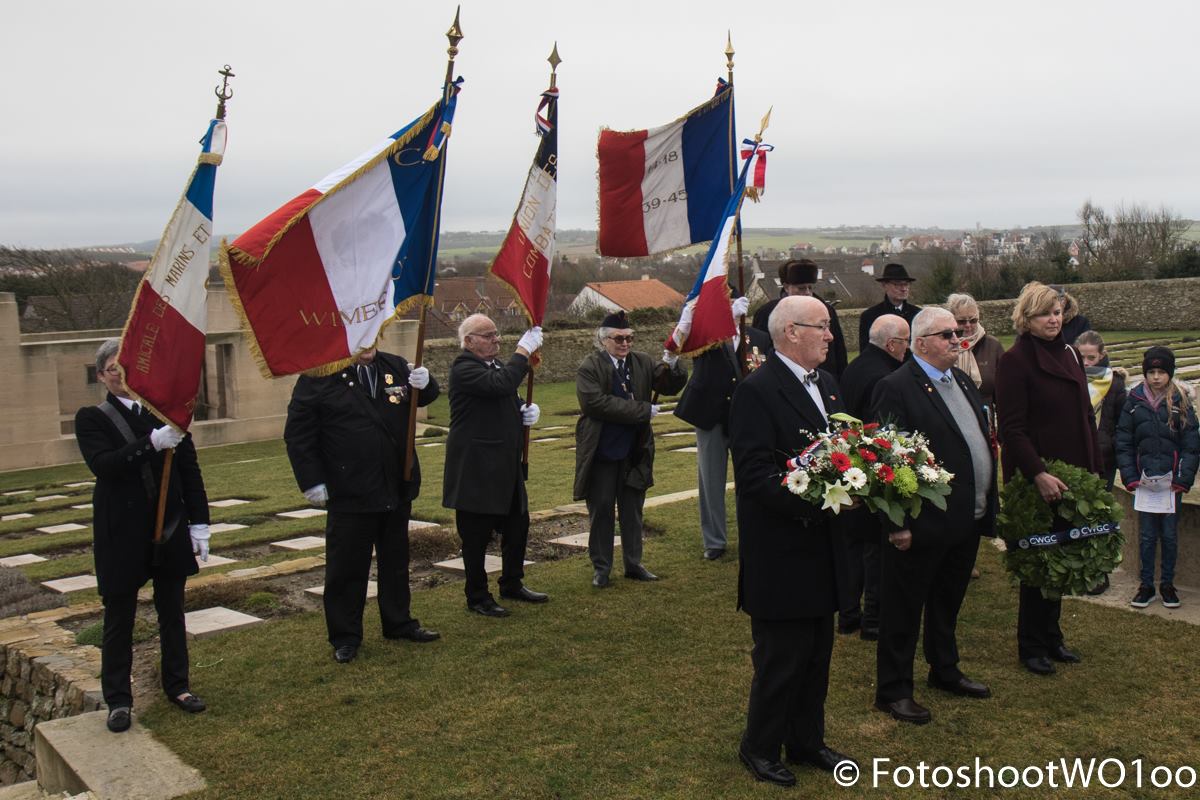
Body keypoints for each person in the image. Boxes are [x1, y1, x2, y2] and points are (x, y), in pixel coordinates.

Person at [730, 296, 857, 787]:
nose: (830, 336)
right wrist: (822, 501)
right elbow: (756, 476)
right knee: (781, 658)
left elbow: (842, 453)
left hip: (822, 549)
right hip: (780, 550)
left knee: (816, 654)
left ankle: (806, 740)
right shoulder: (757, 391)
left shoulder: (826, 384)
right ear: (790, 332)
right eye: (822, 327)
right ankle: (759, 747)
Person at [74, 338, 211, 732]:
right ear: (102, 376)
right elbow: (105, 466)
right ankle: (118, 699)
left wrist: (200, 521)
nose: (121, 375)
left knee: (172, 611)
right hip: (122, 531)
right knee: (120, 617)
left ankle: (178, 685)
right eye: (113, 369)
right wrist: (150, 443)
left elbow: (189, 470)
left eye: (127, 367)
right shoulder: (92, 418)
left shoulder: (164, 412)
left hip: (168, 526)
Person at [869, 308, 996, 725]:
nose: (957, 340)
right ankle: (893, 690)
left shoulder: (958, 379)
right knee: (903, 609)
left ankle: (945, 669)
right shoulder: (896, 387)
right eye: (947, 335)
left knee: (947, 602)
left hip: (964, 518)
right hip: (922, 523)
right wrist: (897, 523)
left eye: (959, 333)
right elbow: (886, 459)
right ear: (920, 343)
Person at [284, 346, 441, 664]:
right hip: (350, 488)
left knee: (395, 561)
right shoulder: (319, 375)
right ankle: (345, 636)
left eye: (372, 338)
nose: (368, 347)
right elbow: (298, 434)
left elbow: (420, 400)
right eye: (360, 340)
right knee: (347, 567)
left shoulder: (395, 365)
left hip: (396, 482)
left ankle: (398, 622)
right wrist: (311, 481)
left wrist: (428, 384)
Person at [995, 282, 1101, 676]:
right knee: (1039, 560)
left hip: (1073, 475)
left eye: (1057, 312)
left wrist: (1094, 470)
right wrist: (1038, 473)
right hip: (1038, 477)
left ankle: (1052, 636)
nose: (1053, 319)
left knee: (1061, 556)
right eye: (1044, 314)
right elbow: (1012, 429)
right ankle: (1031, 644)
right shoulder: (1016, 360)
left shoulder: (1071, 352)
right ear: (1026, 318)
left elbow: (1084, 417)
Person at [442, 315, 549, 617]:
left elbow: (504, 395)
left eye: (495, 334)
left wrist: (523, 412)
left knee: (518, 525)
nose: (495, 340)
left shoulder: (498, 366)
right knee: (475, 537)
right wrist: (523, 350)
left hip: (504, 465)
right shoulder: (463, 368)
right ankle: (477, 595)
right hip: (476, 468)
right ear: (469, 341)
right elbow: (499, 386)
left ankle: (512, 582)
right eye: (487, 335)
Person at [574, 310, 687, 588]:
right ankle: (602, 567)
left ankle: (634, 563)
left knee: (632, 509)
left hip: (635, 451)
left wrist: (672, 363)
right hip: (602, 450)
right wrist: (642, 410)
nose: (625, 344)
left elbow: (668, 384)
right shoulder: (590, 366)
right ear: (604, 340)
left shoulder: (643, 362)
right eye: (619, 338)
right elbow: (595, 404)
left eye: (630, 338)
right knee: (601, 510)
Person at [674, 292, 772, 561]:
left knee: (751, 478)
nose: (733, 307)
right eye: (726, 303)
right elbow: (681, 343)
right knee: (711, 480)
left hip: (746, 417)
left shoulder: (760, 337)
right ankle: (714, 540)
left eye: (734, 302)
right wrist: (723, 319)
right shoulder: (705, 334)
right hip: (710, 413)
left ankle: (752, 533)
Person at [833, 314, 910, 640]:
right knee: (875, 549)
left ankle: (849, 614)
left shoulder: (856, 365)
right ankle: (873, 619)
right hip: (870, 467)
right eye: (905, 341)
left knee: (853, 548)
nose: (908, 348)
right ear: (892, 344)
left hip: (850, 465)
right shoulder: (887, 375)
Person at [1116, 346, 1199, 610]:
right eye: (1151, 371)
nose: (1155, 377)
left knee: (1170, 536)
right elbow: (1124, 442)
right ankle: (1146, 585)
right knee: (1147, 536)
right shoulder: (1133, 403)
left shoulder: (1181, 402)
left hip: (1170, 484)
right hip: (1144, 483)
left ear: (1170, 373)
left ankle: (1167, 584)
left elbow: (1191, 444)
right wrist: (1130, 477)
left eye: (1161, 372)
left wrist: (1183, 478)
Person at [1075, 331, 1126, 595]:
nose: (1085, 363)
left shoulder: (1114, 384)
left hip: (1104, 459)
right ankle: (1079, 568)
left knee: (1100, 518)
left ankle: (1100, 571)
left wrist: (1111, 445)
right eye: (1081, 357)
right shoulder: (1070, 379)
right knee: (1076, 515)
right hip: (1076, 456)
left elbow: (1121, 422)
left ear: (1102, 356)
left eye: (1091, 358)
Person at [751, 259, 848, 376]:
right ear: (786, 287)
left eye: (810, 288)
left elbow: (839, 352)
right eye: (801, 288)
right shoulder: (767, 313)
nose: (807, 292)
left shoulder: (826, 310)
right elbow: (759, 350)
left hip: (823, 377)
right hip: (781, 378)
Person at [945, 293, 1005, 408]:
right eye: (961, 321)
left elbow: (1004, 388)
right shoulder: (944, 345)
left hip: (985, 413)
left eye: (973, 320)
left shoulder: (993, 346)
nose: (968, 325)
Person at [857, 263, 921, 353]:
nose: (903, 288)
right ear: (884, 285)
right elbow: (866, 352)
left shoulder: (918, 314)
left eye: (906, 284)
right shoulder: (870, 316)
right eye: (897, 284)